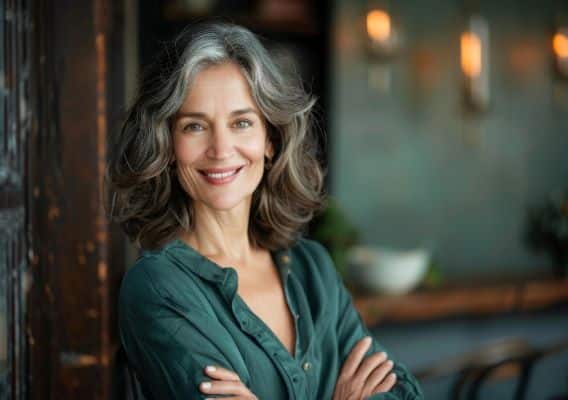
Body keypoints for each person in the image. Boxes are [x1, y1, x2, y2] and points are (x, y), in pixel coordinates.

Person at [106, 22, 422, 400]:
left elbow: (399, 393)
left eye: (241, 123)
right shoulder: (158, 288)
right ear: (169, 147)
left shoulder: (313, 268)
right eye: (194, 126)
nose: (221, 148)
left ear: (270, 140)